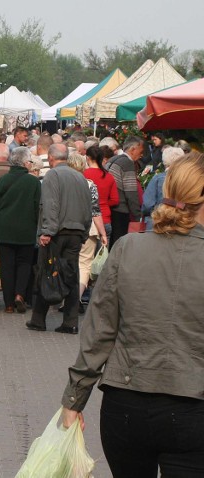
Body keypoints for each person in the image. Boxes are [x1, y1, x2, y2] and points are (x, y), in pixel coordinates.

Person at [60, 152, 204, 478]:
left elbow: (99, 333)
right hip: (192, 407)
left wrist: (74, 400)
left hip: (125, 406)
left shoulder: (128, 248)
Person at [25, 144, 92, 335]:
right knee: (71, 276)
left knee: (47, 273)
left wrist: (47, 231)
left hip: (57, 233)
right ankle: (70, 322)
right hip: (76, 232)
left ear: (51, 158)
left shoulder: (52, 176)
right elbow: (89, 207)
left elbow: (50, 205)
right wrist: (84, 232)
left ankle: (38, 319)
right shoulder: (80, 177)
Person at [0, 147, 41, 313]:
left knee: (6, 267)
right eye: (30, 161)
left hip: (3, 231)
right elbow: (38, 208)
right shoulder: (34, 182)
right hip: (26, 231)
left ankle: (8, 304)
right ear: (25, 163)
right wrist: (40, 229)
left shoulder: (2, 181)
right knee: (24, 264)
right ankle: (20, 295)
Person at [67, 152, 108, 304]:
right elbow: (95, 211)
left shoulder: (62, 183)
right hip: (87, 228)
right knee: (84, 264)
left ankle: (66, 297)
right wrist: (103, 233)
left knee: (68, 262)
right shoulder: (90, 184)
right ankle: (75, 298)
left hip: (66, 226)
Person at [106, 136, 145, 247]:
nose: (141, 155)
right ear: (133, 149)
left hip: (110, 208)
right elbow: (131, 192)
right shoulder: (127, 163)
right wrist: (137, 215)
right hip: (120, 210)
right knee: (119, 244)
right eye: (140, 151)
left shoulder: (113, 159)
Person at [142, 146, 185, 230]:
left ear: (164, 161)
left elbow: (147, 205)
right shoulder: (188, 180)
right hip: (181, 225)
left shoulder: (157, 179)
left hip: (157, 225)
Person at [84, 145, 119, 241]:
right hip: (105, 219)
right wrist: (103, 203)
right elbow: (115, 200)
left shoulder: (84, 174)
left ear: (87, 158)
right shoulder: (109, 176)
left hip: (89, 220)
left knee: (87, 255)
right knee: (103, 254)